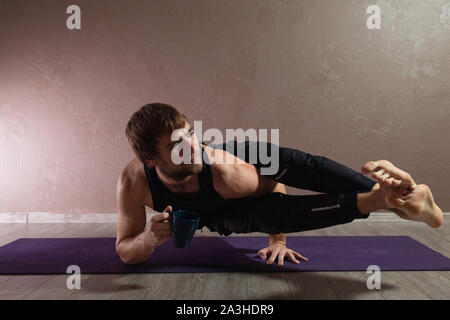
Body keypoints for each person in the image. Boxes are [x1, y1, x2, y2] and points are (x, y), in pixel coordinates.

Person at [115, 103, 443, 266]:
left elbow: (274, 188)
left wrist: (279, 239)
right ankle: (382, 199)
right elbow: (124, 250)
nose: (191, 144)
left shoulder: (225, 172)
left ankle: (395, 195)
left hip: (229, 171)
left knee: (280, 161)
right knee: (261, 216)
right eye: (177, 146)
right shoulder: (133, 182)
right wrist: (146, 240)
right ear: (151, 161)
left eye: (190, 132)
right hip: (218, 215)